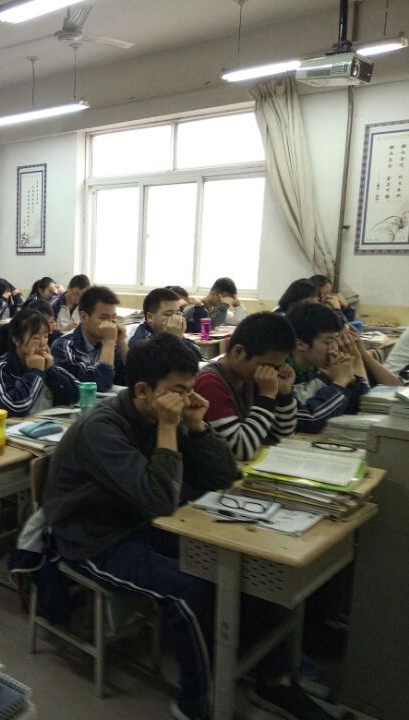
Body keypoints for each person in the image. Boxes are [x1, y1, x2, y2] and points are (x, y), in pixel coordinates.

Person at [44, 334, 329, 720]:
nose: (188, 398)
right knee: (190, 591)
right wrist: (169, 426)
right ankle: (195, 702)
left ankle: (272, 679)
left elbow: (223, 477)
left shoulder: (166, 412)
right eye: (179, 390)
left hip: (144, 522)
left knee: (247, 566)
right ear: (142, 390)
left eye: (190, 388)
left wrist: (197, 427)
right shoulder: (102, 428)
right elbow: (159, 499)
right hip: (94, 539)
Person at [195, 313, 297, 461]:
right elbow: (239, 451)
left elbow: (283, 438)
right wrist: (266, 397)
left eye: (277, 367)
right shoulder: (209, 382)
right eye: (267, 366)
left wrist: (284, 394)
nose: (272, 373)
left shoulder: (251, 378)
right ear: (238, 352)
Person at [286, 302, 369, 433]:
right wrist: (339, 383)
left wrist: (351, 382)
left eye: (336, 340)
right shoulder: (280, 376)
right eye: (328, 342)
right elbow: (307, 420)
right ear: (300, 344)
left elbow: (364, 408)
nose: (334, 349)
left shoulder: (320, 373)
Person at [0, 309, 78, 417]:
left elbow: (75, 396)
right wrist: (35, 372)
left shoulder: (47, 363)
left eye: (45, 336)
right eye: (36, 338)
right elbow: (14, 408)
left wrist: (50, 371)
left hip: (44, 424)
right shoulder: (0, 369)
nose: (43, 343)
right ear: (16, 340)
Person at [51, 285, 128, 392]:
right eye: (104, 318)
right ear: (84, 317)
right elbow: (98, 386)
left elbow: (134, 379)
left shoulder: (111, 343)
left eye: (113, 318)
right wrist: (108, 343)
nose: (111, 324)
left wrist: (122, 343)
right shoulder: (63, 347)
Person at [130, 288, 202, 362]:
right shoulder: (140, 342)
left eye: (178, 314)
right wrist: (173, 339)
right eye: (168, 314)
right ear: (150, 317)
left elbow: (198, 357)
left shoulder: (174, 334)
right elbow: (162, 365)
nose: (175, 318)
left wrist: (179, 339)